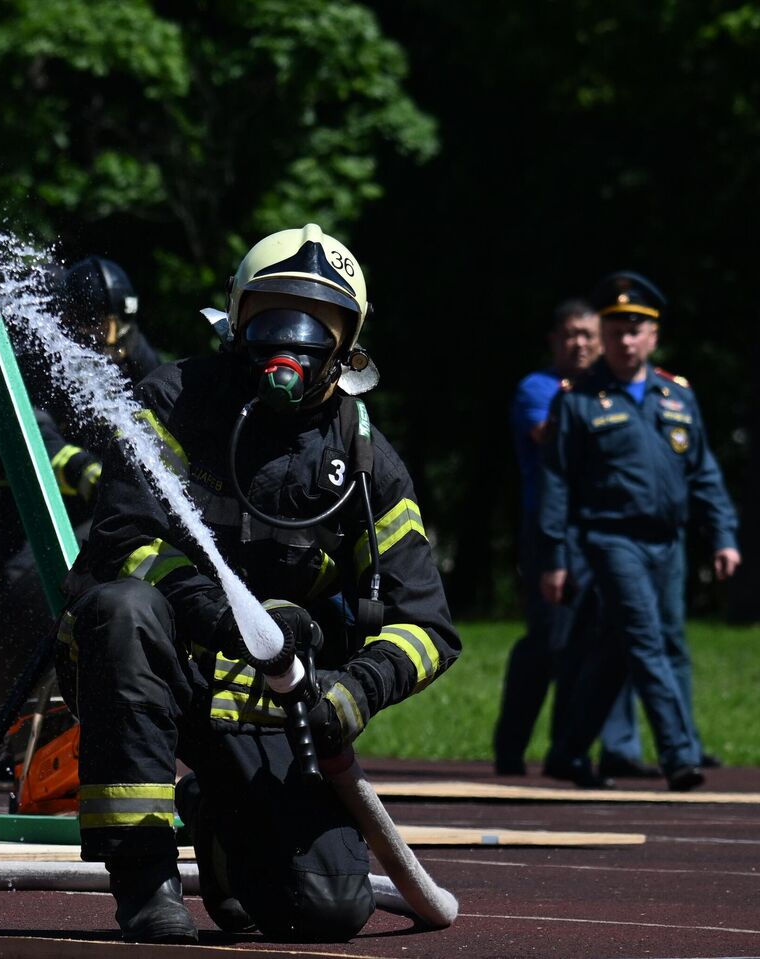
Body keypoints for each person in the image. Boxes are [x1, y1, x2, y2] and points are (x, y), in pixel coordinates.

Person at [54, 225, 460, 942]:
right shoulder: (176, 400)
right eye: (272, 317)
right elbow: (125, 539)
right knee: (123, 607)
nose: (291, 343)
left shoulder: (364, 461)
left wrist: (356, 687)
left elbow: (428, 625)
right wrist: (220, 612)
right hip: (158, 667)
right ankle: (145, 880)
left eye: (315, 327)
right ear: (237, 319)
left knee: (325, 907)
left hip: (271, 704)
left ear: (348, 343)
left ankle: (216, 818)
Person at [538, 271, 741, 792]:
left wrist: (723, 535)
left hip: (667, 544)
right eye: (617, 329)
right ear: (604, 335)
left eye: (637, 330)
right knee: (647, 641)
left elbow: (704, 473)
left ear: (653, 336)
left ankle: (567, 752)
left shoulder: (677, 397)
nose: (626, 340)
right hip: (611, 540)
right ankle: (679, 756)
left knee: (624, 648)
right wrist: (555, 555)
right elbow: (557, 482)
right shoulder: (579, 399)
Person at [0, 255, 161, 714]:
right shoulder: (39, 355)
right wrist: (91, 472)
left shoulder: (132, 351)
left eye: (120, 326)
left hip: (87, 512)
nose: (113, 341)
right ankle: (11, 716)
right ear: (72, 322)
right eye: (101, 326)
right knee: (24, 590)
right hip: (22, 506)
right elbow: (31, 436)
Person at [494, 301, 656, 784]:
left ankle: (572, 752)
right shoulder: (540, 389)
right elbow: (551, 436)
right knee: (552, 641)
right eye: (570, 335)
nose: (580, 344)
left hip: (605, 534)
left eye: (588, 334)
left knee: (603, 640)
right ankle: (511, 746)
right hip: (552, 533)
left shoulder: (608, 394)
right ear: (554, 341)